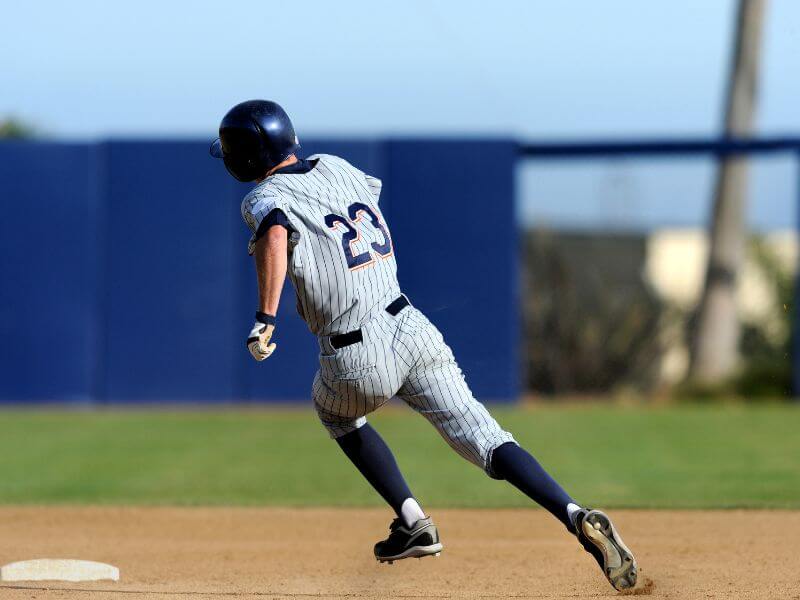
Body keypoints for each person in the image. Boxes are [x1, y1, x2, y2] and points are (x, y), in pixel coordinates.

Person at [210, 99, 638, 591]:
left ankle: (412, 519)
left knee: (336, 414)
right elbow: (359, 205)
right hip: (411, 326)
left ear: (246, 153)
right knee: (486, 436)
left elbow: (275, 230)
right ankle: (573, 513)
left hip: (355, 351)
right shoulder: (337, 166)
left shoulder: (261, 198)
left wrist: (265, 317)